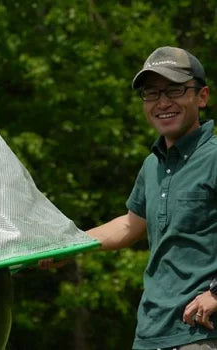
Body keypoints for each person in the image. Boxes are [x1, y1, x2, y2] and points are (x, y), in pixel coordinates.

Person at [40, 46, 217, 349]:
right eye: (151, 93)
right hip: (150, 333)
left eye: (174, 90)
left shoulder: (213, 158)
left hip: (201, 334)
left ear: (201, 97)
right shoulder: (152, 165)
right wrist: (70, 245)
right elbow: (130, 225)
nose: (163, 102)